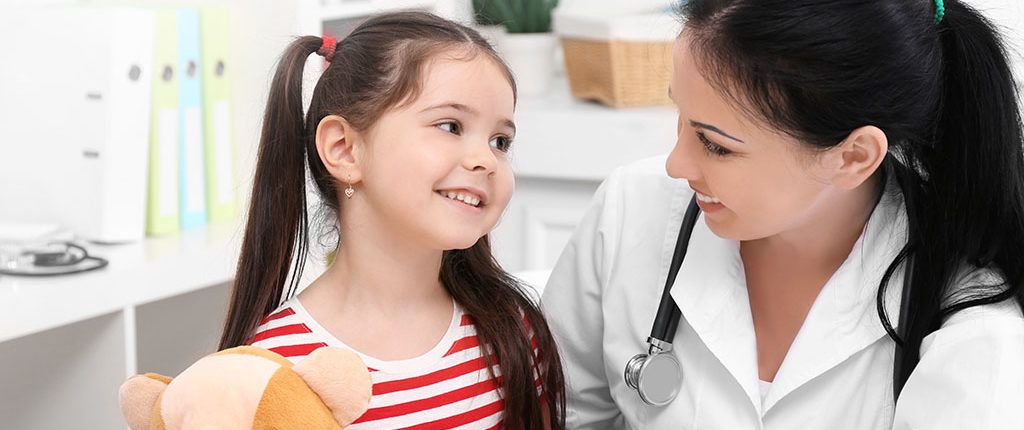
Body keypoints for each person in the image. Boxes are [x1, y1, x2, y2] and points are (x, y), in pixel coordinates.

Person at [542, 0, 1024, 428]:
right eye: (681, 117)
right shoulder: (631, 208)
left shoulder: (972, 326)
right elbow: (553, 414)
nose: (676, 164)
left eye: (715, 145)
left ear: (854, 156)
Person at [217, 12, 565, 429]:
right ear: (345, 149)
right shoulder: (275, 366)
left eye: (500, 141)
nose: (485, 159)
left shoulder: (513, 331)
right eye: (450, 126)